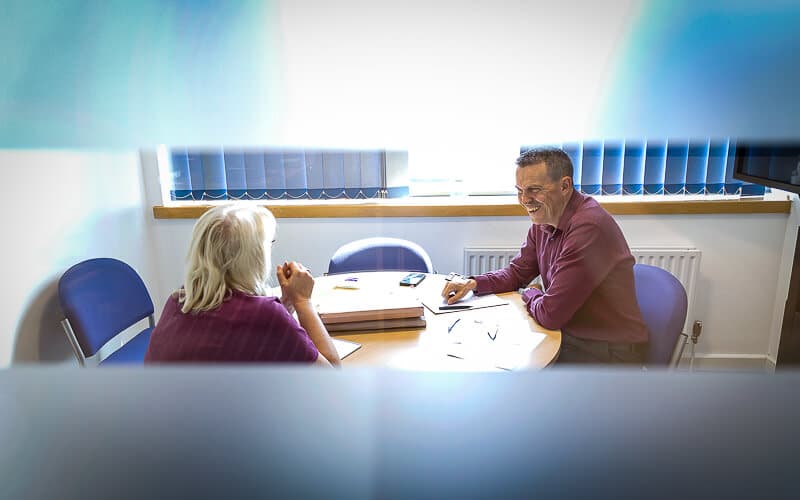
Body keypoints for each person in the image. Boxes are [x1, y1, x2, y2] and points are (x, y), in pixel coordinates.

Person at [442, 147, 648, 364]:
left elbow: (551, 314)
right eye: (519, 190)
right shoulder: (546, 220)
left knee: (508, 371)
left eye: (534, 189)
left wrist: (530, 293)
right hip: (570, 334)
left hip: (608, 352)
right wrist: (473, 283)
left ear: (565, 186)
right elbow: (517, 273)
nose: (524, 200)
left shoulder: (589, 228)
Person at [145, 204, 340, 366]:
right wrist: (302, 300)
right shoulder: (264, 314)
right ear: (254, 257)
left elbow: (239, 343)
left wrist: (285, 308)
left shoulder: (178, 300)